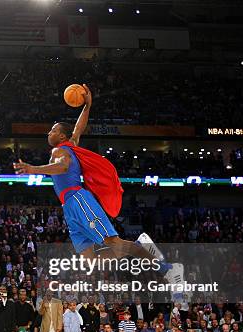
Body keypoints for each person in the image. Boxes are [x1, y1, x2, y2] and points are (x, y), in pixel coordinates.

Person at [13, 86, 169, 270]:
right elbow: (78, 129)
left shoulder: (60, 150)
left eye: (53, 130)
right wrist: (87, 106)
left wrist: (33, 169)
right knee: (91, 260)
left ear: (61, 135)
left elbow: (63, 167)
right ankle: (138, 245)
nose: (49, 133)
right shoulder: (69, 144)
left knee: (112, 242)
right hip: (69, 206)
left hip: (78, 199)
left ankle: (156, 261)